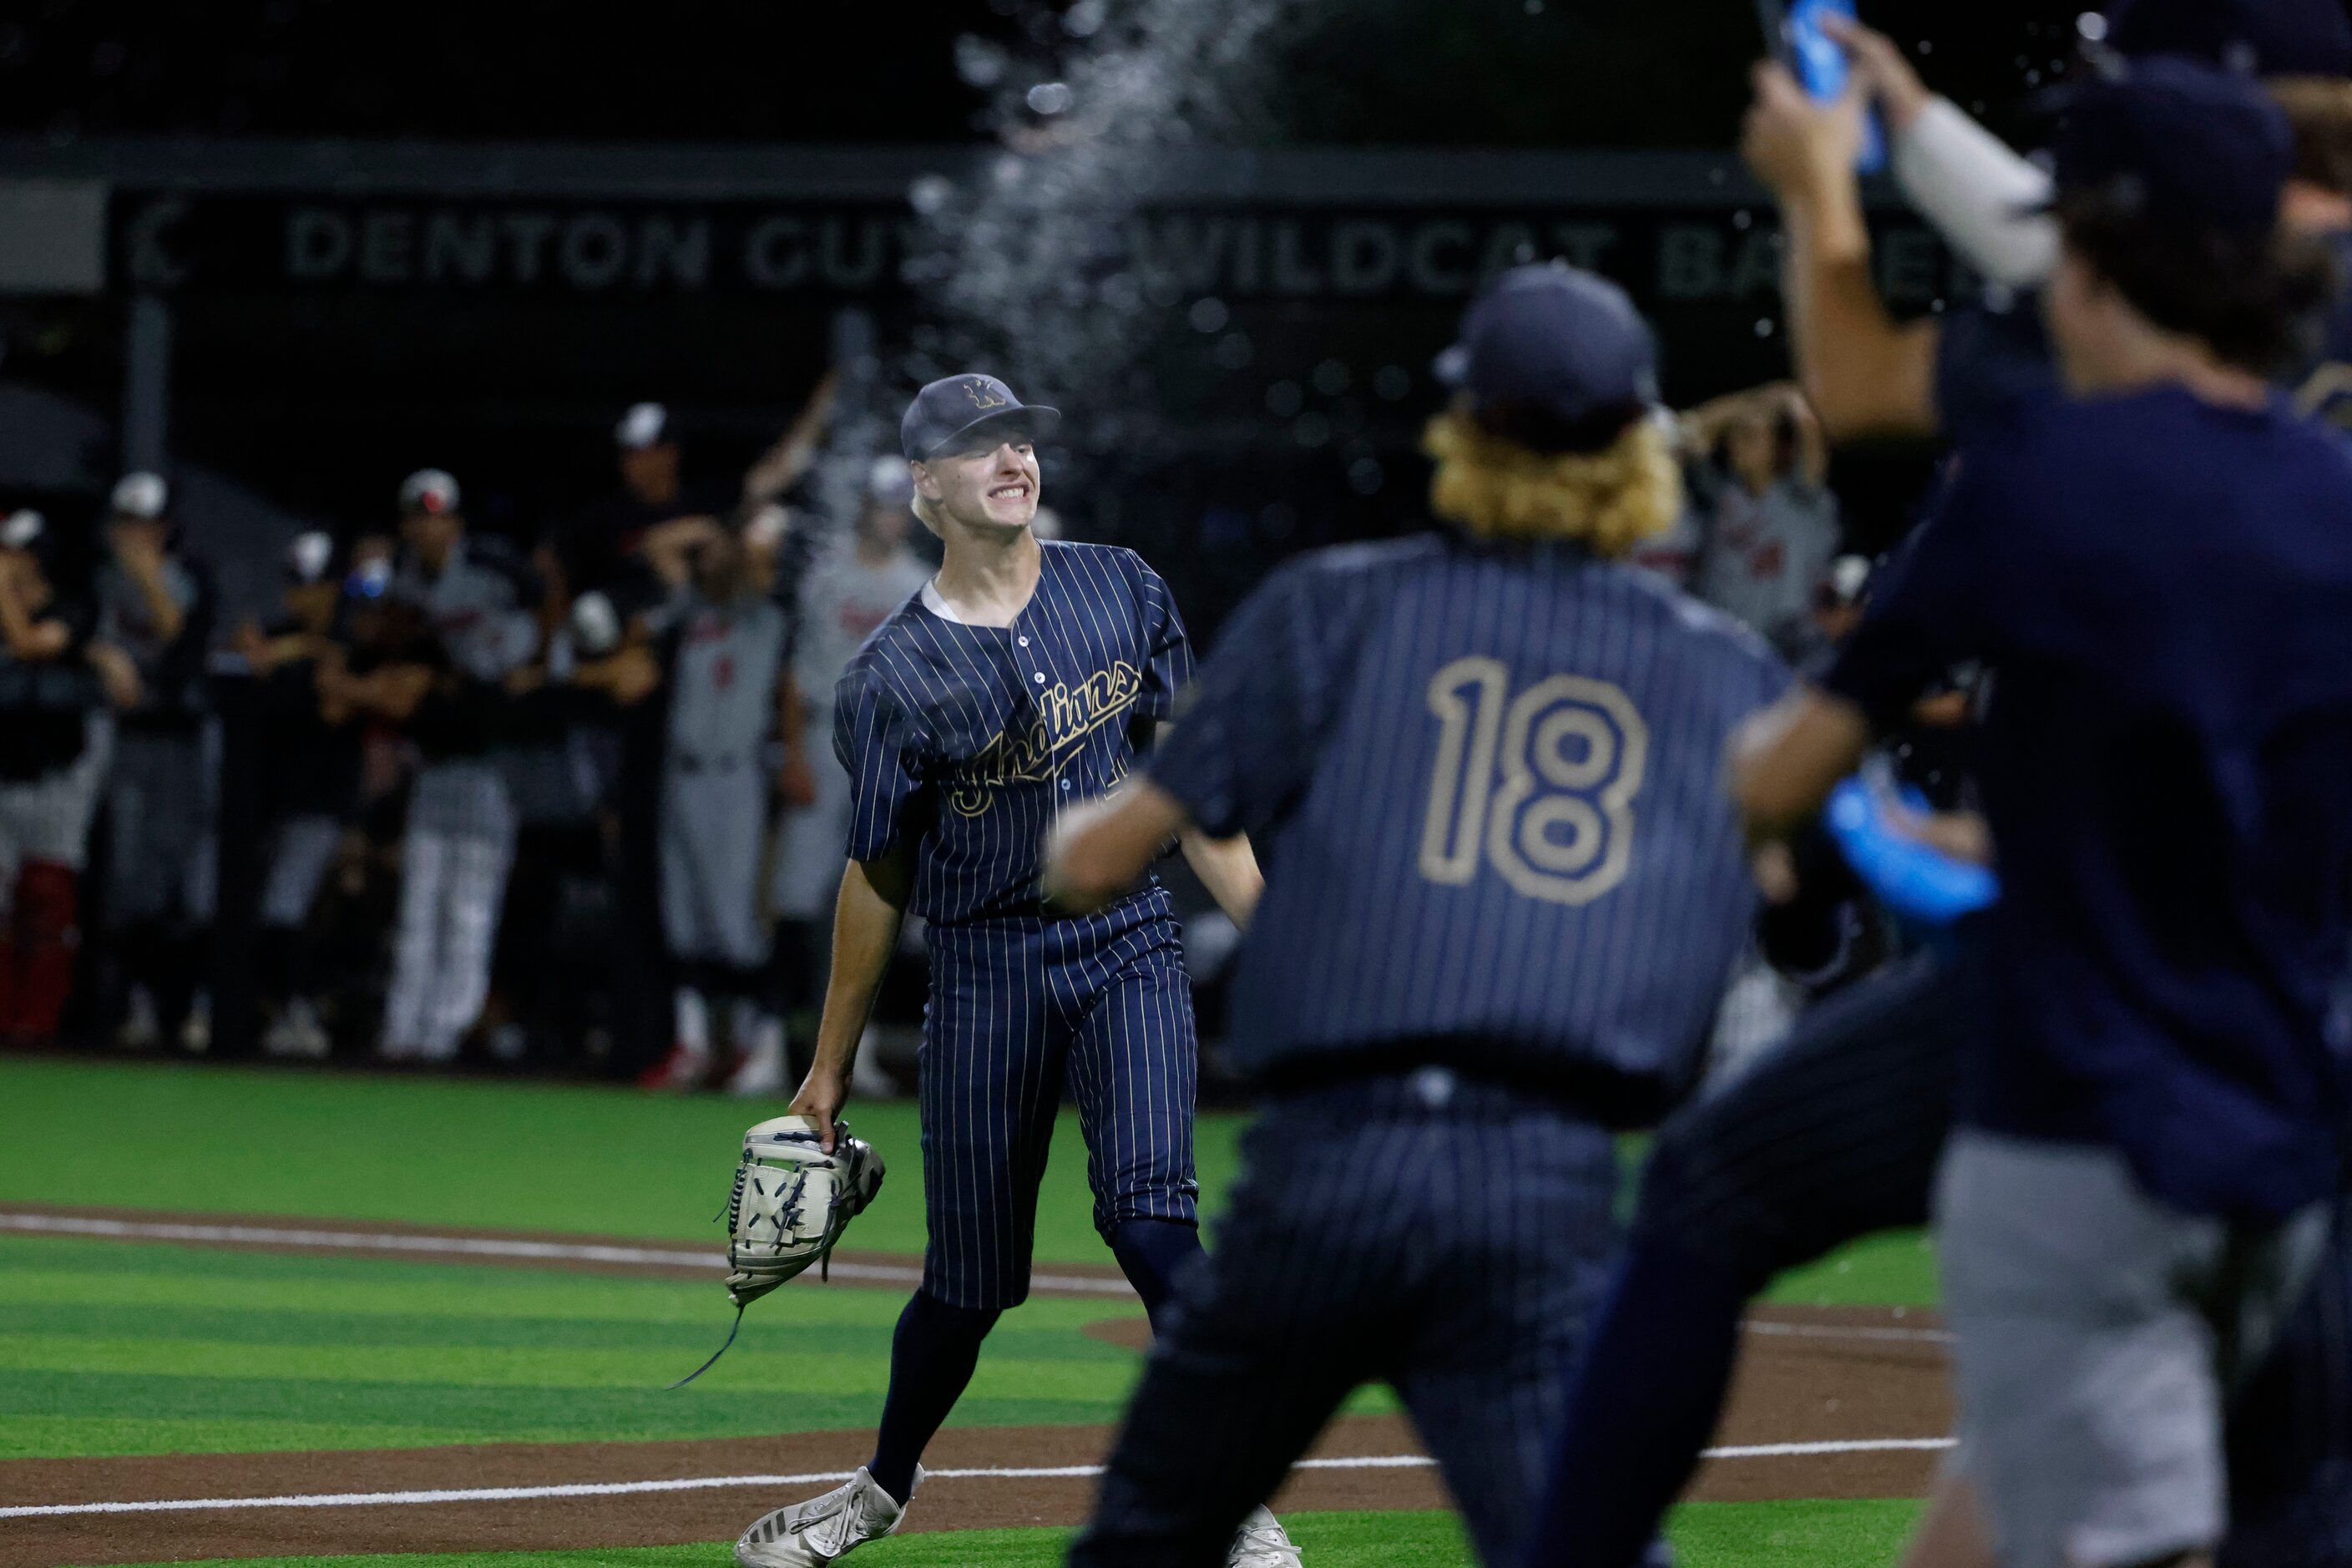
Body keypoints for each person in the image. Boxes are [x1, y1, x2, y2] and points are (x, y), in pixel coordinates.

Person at [1526, 12, 2352, 1568]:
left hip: (2082, 1081)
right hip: (2276, 1063)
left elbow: (1784, 769)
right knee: (2270, 1479)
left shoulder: (2048, 463)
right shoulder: (2319, 472)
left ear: (2100, 265)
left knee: (1726, 1192)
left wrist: (1828, 174)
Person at [1044, 264, 1789, 1568]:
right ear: (1639, 450)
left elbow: (1100, 862)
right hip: (1543, 1185)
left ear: (1463, 426)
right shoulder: (1724, 671)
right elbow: (1802, 905)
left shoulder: (1334, 604)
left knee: (1149, 1543)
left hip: (1330, 1170)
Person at [727, 373, 1269, 1568]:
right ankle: (878, 1488)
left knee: (1148, 1219)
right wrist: (826, 1069)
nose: (1012, 457)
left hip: (1126, 942)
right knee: (970, 1289)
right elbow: (875, 879)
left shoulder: (1120, 586)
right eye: (978, 446)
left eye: (1019, 438)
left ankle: (1232, 1498)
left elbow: (1191, 799)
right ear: (926, 487)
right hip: (983, 972)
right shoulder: (888, 678)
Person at [331, 469, 541, 1063]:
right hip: (431, 764)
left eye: (438, 515)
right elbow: (363, 633)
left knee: (467, 910)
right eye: (418, 516)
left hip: (488, 765)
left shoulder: (489, 580)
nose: (428, 526)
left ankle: (448, 1034)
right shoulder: (394, 583)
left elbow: (513, 655)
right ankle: (405, 1033)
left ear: (456, 523)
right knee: (420, 905)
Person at [769, 456, 933, 1095]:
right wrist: (793, 754)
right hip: (823, 735)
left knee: (879, 895)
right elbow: (793, 676)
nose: (888, 515)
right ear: (864, 506)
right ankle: (776, 1039)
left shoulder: (920, 581)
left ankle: (851, 1053)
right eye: (879, 502)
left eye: (897, 503)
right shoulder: (828, 577)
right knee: (797, 899)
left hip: (888, 751)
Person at [637, 523, 803, 1095]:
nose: (712, 565)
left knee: (737, 924)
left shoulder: (767, 616)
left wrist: (740, 543)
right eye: (705, 559)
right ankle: (696, 1045)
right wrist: (713, 527)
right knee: (684, 919)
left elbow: (759, 571)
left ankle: (761, 1048)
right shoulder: (688, 612)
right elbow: (657, 547)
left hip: (737, 779)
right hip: (680, 778)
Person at [89, 472, 217, 1052]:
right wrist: (104, 658)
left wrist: (147, 575)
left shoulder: (192, 576)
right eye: (127, 522)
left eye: (146, 523)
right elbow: (81, 635)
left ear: (166, 527)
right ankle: (134, 1004)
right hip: (129, 740)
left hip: (187, 745)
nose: (134, 534)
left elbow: (181, 641)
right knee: (126, 879)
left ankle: (193, 1008)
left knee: (189, 882)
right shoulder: (101, 579)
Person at [229, 532, 365, 1058]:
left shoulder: (352, 638)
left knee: (288, 907)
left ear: (334, 589)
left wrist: (292, 652)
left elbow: (335, 703)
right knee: (232, 905)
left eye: (313, 585)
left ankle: (300, 1010)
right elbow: (236, 659)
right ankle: (245, 1009)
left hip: (324, 802)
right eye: (296, 583)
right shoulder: (274, 634)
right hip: (263, 801)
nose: (301, 596)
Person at [0, 509, 111, 1044]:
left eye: (18, 554)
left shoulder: (73, 607)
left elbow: (29, 645)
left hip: (57, 773)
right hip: (4, 771)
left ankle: (37, 1024)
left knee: (46, 898)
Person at [1678, 383, 1838, 660]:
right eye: (1735, 435)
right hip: (1715, 645)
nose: (1737, 444)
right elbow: (1685, 435)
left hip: (1783, 652)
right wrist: (1746, 403)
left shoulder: (1803, 502)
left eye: (1751, 435)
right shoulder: (1717, 494)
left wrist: (1788, 400)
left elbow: (1811, 439)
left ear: (1780, 446)